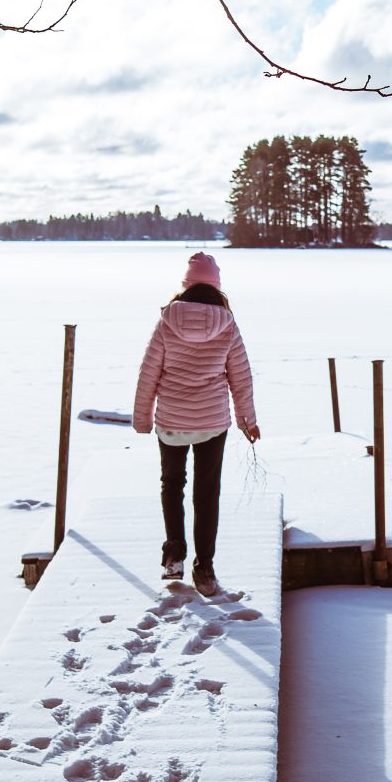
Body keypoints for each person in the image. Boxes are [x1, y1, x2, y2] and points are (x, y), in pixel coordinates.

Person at [133, 252, 261, 596]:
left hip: (171, 420)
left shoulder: (167, 320)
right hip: (211, 422)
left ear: (186, 285)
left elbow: (148, 372)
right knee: (207, 492)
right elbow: (241, 377)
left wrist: (142, 418)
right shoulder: (227, 323)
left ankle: (174, 555)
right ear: (216, 287)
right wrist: (247, 421)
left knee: (172, 483)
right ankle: (204, 568)